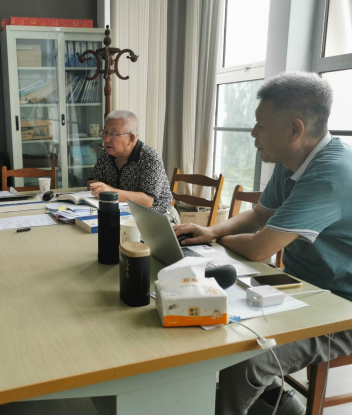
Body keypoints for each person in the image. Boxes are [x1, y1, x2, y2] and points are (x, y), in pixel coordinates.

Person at [174, 72, 352, 414]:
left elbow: (260, 248)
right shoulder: (292, 160)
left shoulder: (332, 174)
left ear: (295, 129)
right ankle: (280, 402)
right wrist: (212, 233)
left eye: (261, 125)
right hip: (301, 288)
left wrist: (219, 237)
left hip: (342, 308)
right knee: (214, 321)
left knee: (248, 360)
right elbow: (258, 215)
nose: (253, 133)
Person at [87, 110, 175, 218]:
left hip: (156, 216)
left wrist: (110, 191)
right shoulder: (107, 154)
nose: (106, 139)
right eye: (105, 132)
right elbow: (91, 182)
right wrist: (101, 188)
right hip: (122, 213)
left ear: (131, 138)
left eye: (113, 134)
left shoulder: (150, 156)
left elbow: (147, 201)